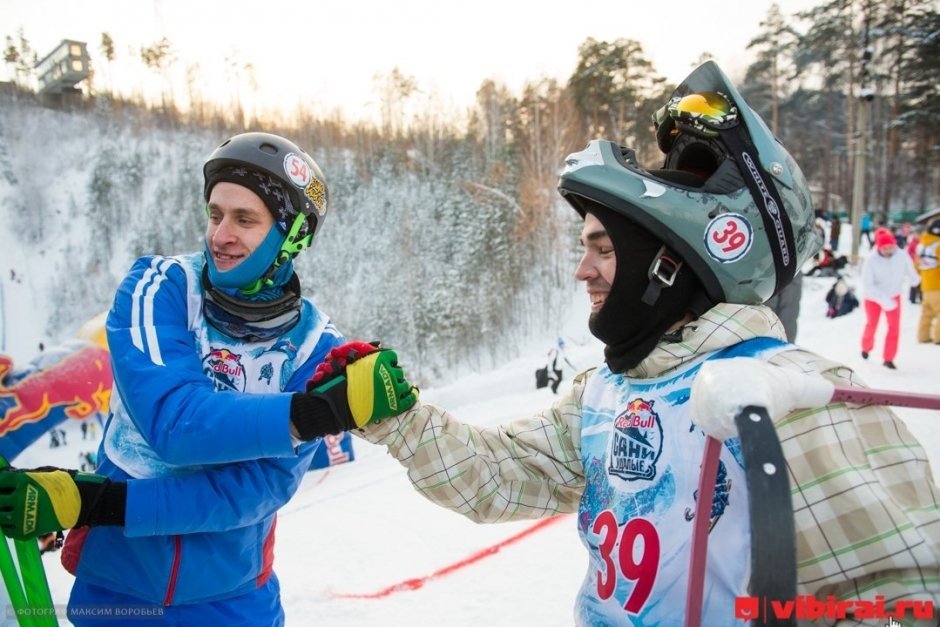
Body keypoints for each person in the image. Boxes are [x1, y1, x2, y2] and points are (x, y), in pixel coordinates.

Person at [317, 62, 939, 625]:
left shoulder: (798, 397)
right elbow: (501, 478)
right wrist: (398, 415)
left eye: (605, 249)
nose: (582, 271)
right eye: (584, 247)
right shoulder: (609, 392)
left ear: (672, 265)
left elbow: (907, 599)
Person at [0, 132, 416, 625]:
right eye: (215, 214)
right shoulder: (159, 287)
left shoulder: (317, 349)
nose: (220, 235)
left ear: (292, 237)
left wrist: (96, 502)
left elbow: (251, 492)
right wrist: (311, 414)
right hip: (117, 590)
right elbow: (174, 425)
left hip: (234, 598)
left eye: (245, 219)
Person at [860, 226, 921, 368]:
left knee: (894, 328)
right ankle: (866, 347)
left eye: (890, 247)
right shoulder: (871, 260)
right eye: (885, 248)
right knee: (871, 324)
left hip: (894, 296)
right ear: (879, 247)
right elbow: (868, 285)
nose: (888, 251)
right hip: (873, 298)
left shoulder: (901, 255)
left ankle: (889, 358)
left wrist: (916, 280)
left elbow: (910, 270)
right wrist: (883, 300)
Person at [916, 218, 940, 343]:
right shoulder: (938, 245)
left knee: (926, 313)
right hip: (938, 285)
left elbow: (917, 264)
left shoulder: (922, 245)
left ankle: (923, 336)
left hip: (925, 285)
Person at [763, 273, 802, 342]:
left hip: (786, 272)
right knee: (767, 314)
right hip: (769, 272)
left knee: (787, 314)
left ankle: (785, 346)